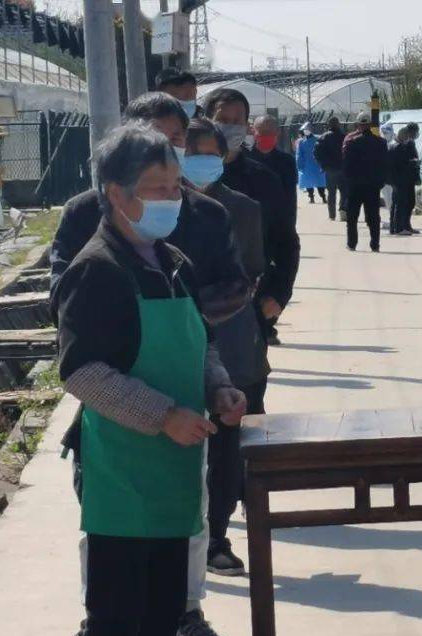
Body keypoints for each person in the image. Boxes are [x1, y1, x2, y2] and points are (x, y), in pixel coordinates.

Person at [55, 122, 247, 636]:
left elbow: (200, 345)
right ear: (116, 194)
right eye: (157, 188)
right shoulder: (97, 272)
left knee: (165, 608)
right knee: (114, 617)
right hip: (123, 473)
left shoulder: (173, 263)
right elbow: (83, 373)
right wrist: (161, 416)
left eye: (175, 186)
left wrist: (220, 389)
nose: (172, 198)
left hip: (172, 468)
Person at [181, 118, 271, 599]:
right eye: (188, 150)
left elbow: (250, 274)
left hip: (232, 341)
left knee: (227, 447)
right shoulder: (151, 209)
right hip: (172, 345)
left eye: (207, 151)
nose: (198, 160)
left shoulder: (239, 209)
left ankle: (217, 535)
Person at [204, 92, 299, 348]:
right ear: (207, 121)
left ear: (247, 126)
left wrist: (278, 294)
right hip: (195, 308)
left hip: (249, 308)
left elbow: (286, 242)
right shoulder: (185, 177)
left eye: (237, 120)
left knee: (248, 382)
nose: (230, 126)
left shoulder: (263, 180)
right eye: (223, 119)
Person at [342, 110, 388, 252]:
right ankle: (375, 244)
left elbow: (346, 166)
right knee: (373, 216)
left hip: (355, 186)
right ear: (370, 124)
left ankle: (352, 243)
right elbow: (384, 165)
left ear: (358, 125)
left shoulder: (352, 142)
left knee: (352, 217)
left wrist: (348, 182)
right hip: (373, 186)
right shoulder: (381, 143)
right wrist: (380, 182)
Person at [388, 123, 421, 236]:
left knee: (398, 202)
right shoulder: (399, 146)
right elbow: (402, 164)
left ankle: (396, 227)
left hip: (398, 179)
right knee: (402, 203)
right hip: (402, 179)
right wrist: (413, 163)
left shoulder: (393, 145)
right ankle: (399, 227)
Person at [315, 116, 346, 220]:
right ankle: (343, 210)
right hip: (342, 168)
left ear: (329, 125)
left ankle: (332, 215)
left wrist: (322, 164)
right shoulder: (344, 137)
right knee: (344, 191)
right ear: (338, 124)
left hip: (329, 169)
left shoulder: (323, 137)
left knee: (331, 193)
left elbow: (316, 153)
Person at [296, 122, 327, 203]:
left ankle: (317, 197)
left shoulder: (302, 142)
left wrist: (299, 165)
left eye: (306, 130)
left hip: (309, 165)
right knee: (318, 182)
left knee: (310, 182)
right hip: (316, 164)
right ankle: (320, 197)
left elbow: (299, 155)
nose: (305, 131)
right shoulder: (318, 138)